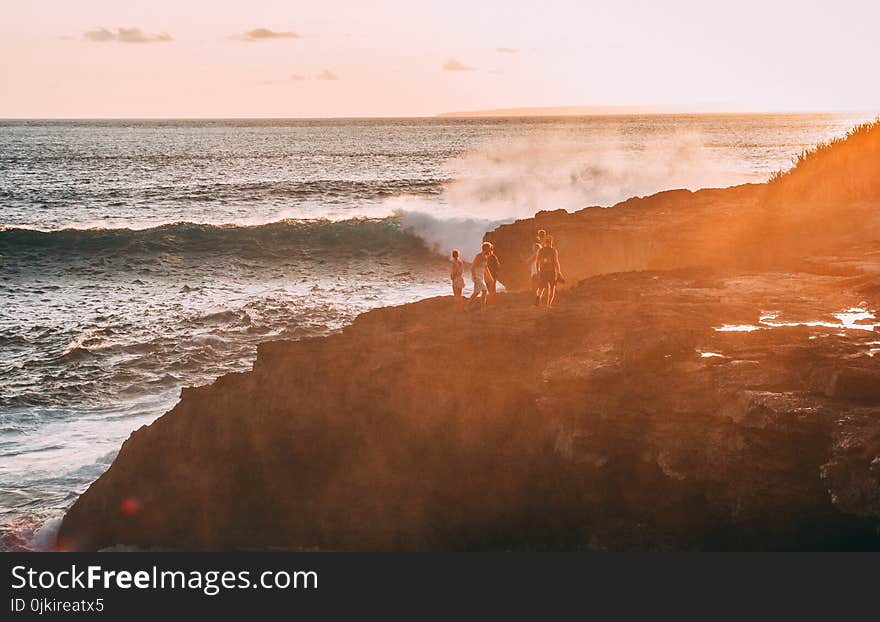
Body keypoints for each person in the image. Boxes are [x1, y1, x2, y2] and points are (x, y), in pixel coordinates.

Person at [537, 235, 563, 308]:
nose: (548, 243)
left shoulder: (542, 250)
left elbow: (537, 262)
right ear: (551, 242)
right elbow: (556, 262)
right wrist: (559, 272)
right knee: (551, 288)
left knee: (542, 288)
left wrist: (538, 271)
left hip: (545, 272)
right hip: (550, 272)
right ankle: (548, 304)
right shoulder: (552, 250)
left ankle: (539, 303)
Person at [470, 243, 490, 310]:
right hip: (476, 276)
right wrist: (474, 276)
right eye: (489, 248)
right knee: (484, 291)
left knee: (477, 292)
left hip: (481, 277)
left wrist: (489, 277)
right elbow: (472, 267)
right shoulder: (478, 256)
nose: (490, 250)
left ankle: (468, 305)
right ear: (486, 248)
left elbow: (485, 268)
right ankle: (483, 307)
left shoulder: (486, 257)